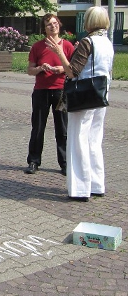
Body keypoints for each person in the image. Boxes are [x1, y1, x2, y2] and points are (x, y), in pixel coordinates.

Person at [46, 6, 114, 202]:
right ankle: (97, 184)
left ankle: (80, 188)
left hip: (83, 95)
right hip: (100, 94)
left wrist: (60, 52)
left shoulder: (87, 42)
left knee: (78, 139)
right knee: (94, 139)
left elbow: (72, 71)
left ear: (89, 22)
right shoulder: (107, 42)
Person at [25, 14, 74, 176]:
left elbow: (73, 69)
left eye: (55, 23)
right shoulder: (38, 47)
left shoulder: (67, 46)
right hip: (41, 91)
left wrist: (61, 69)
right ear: (44, 29)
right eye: (48, 25)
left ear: (59, 25)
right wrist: (40, 68)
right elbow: (30, 70)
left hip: (61, 90)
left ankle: (65, 162)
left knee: (63, 129)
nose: (53, 27)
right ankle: (33, 161)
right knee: (38, 127)